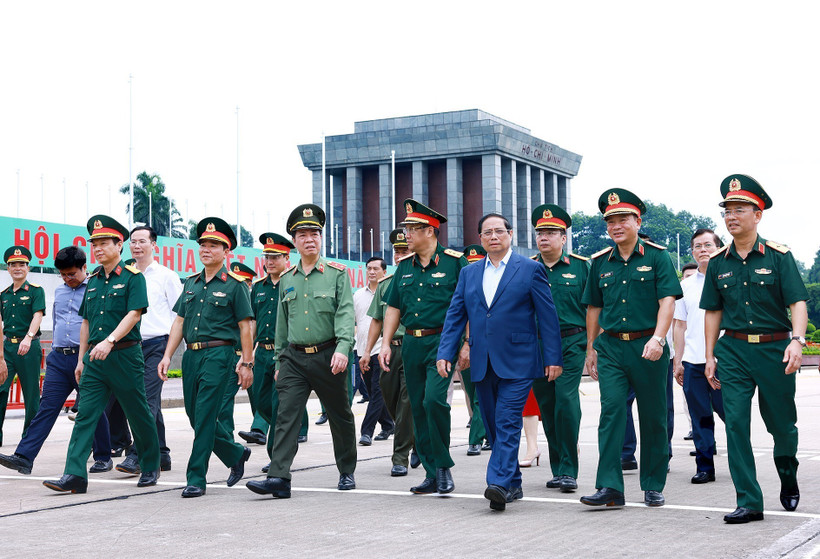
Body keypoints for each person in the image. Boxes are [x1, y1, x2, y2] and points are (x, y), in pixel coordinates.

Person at [700, 174, 808, 523]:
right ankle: (748, 500)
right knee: (734, 424)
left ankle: (787, 474)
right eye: (727, 211)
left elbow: (797, 302)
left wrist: (797, 340)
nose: (731, 217)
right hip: (733, 352)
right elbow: (713, 311)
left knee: (782, 427)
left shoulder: (778, 256)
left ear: (757, 214)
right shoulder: (718, 262)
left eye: (739, 209)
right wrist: (710, 355)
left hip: (774, 351)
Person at [437, 212, 563, 511]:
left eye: (499, 231)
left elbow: (548, 317)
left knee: (507, 420)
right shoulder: (469, 273)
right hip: (482, 359)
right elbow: (456, 315)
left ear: (510, 235)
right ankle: (514, 482)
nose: (493, 236)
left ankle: (497, 483)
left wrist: (553, 357)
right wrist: (445, 352)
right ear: (480, 239)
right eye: (486, 232)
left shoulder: (529, 269)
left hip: (519, 359)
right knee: (493, 424)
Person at [43, 215, 161, 493]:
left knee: (138, 413)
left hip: (124, 356)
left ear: (119, 245)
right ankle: (74, 474)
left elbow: (134, 314)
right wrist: (82, 358)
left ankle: (150, 463)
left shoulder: (133, 278)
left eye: (104, 243)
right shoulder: (93, 281)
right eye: (94, 244)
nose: (97, 248)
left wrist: (109, 341)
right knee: (85, 414)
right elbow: (85, 322)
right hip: (95, 360)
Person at [579, 189, 682, 509]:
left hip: (647, 347)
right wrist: (591, 348)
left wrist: (659, 338)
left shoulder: (657, 256)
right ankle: (610, 487)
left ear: (638, 221)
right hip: (611, 348)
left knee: (653, 416)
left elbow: (667, 300)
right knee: (611, 413)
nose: (616, 225)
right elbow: (594, 308)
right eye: (610, 220)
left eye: (623, 219)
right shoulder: (599, 263)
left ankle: (652, 483)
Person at [246, 204, 357, 499]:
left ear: (321, 239)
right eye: (303, 234)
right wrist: (280, 358)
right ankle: (279, 477)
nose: (310, 239)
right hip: (293, 358)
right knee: (286, 415)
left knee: (339, 414)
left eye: (315, 233)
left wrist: (344, 348)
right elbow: (283, 322)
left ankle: (346, 469)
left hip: (329, 354)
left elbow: (345, 313)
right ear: (294, 242)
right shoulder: (288, 279)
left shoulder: (337, 274)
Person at [157, 217, 254, 498]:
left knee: (205, 416)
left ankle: (196, 477)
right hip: (192, 356)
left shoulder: (236, 285)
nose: (207, 249)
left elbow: (245, 326)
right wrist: (167, 356)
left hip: (219, 355)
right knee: (194, 416)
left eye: (214, 245)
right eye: (203, 244)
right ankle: (235, 453)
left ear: (226, 252)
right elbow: (178, 322)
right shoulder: (191, 283)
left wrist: (246, 363)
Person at [378, 199, 468, 495]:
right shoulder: (404, 267)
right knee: (417, 408)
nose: (406, 235)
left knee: (433, 401)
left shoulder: (456, 263)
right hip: (412, 344)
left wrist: (466, 343)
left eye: (412, 229)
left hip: (443, 342)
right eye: (406, 229)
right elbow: (392, 308)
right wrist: (387, 343)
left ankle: (443, 467)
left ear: (429, 231)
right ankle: (431, 472)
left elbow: (468, 305)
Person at [0, 247, 112, 474]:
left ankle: (103, 456)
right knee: (46, 408)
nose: (68, 279)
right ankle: (24, 456)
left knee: (91, 407)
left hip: (86, 358)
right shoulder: (59, 292)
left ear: (84, 268)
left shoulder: (95, 289)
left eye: (72, 274)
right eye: (63, 275)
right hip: (59, 358)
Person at [109, 226, 182, 476]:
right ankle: (161, 453)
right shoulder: (125, 276)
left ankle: (137, 455)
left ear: (154, 245)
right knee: (146, 402)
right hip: (130, 348)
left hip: (156, 345)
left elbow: (178, 317)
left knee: (145, 402)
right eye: (133, 242)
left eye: (142, 241)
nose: (137, 246)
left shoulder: (166, 276)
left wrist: (169, 353)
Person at [529, 204, 590, 493]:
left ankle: (568, 469)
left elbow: (594, 309)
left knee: (566, 401)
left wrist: (593, 347)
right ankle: (558, 467)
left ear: (563, 238)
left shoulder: (581, 267)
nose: (544, 237)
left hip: (572, 342)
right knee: (549, 406)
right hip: (538, 345)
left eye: (551, 232)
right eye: (540, 232)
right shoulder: (527, 268)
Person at [362, 228, 419, 476]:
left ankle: (400, 457)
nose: (399, 256)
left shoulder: (419, 278)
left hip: (412, 346)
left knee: (406, 403)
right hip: (387, 350)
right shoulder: (386, 284)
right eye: (396, 251)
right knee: (390, 399)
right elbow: (376, 319)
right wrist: (366, 352)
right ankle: (418, 439)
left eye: (404, 250)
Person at [620, 232, 677, 471]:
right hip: (622, 349)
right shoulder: (613, 265)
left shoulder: (658, 262)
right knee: (621, 403)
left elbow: (669, 305)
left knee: (659, 406)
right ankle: (626, 452)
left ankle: (662, 450)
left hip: (656, 348)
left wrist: (659, 341)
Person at [673, 230, 725, 484]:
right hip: (693, 362)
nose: (702, 249)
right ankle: (705, 466)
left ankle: (741, 462)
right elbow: (680, 326)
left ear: (718, 248)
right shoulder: (684, 287)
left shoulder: (727, 279)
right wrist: (678, 360)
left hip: (725, 361)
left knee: (732, 414)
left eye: (708, 245)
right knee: (700, 416)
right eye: (697, 246)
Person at [1, 245, 46, 447]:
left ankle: (28, 442)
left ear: (28, 268)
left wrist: (28, 338)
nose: (18, 268)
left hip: (29, 347)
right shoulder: (4, 295)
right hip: (7, 349)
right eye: (13, 265)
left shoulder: (36, 291)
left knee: (31, 395)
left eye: (22, 264)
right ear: (8, 268)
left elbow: (38, 315)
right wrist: (1, 356)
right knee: (1, 390)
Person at [356, 257, 394, 446]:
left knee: (378, 392)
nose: (372, 272)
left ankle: (366, 432)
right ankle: (388, 424)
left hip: (382, 349)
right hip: (363, 350)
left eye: (376, 269)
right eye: (369, 268)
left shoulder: (389, 291)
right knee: (373, 393)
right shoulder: (357, 295)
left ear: (384, 272)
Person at [458, 244, 489, 456]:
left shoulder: (491, 286)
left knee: (480, 395)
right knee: (472, 392)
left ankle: (475, 438)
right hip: (463, 346)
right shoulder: (462, 284)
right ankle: (488, 432)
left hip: (484, 344)